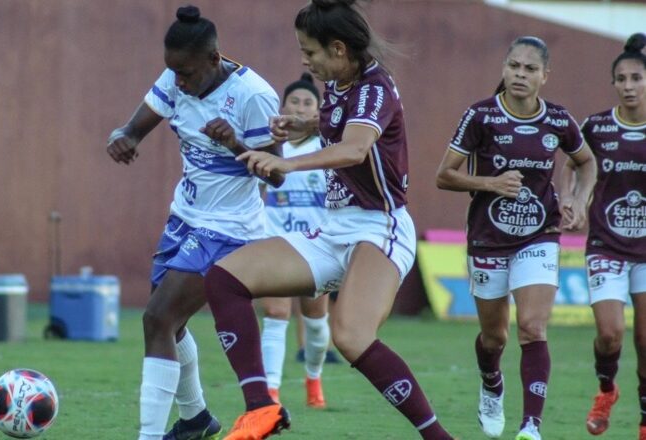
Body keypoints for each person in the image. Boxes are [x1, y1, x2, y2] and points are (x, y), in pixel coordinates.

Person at [203, 1, 455, 439]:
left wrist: (286, 161)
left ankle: (438, 437)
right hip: (333, 227)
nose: (305, 61)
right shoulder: (342, 84)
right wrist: (305, 125)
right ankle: (262, 407)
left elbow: (355, 148)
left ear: (339, 49)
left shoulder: (374, 88)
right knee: (224, 280)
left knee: (351, 337)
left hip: (380, 227)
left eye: (310, 52)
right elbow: (338, 123)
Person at [105, 6, 283, 440]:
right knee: (170, 323)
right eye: (172, 72)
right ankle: (196, 418)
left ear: (214, 58)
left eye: (185, 73)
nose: (178, 82)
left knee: (157, 318)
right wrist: (122, 138)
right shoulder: (176, 77)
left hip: (229, 228)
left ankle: (151, 435)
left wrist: (235, 142)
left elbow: (278, 173)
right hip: (184, 218)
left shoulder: (253, 96)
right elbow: (132, 127)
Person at [435, 36, 597, 440]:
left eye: (529, 69)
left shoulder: (558, 120)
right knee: (495, 337)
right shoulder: (481, 116)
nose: (519, 75)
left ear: (545, 76)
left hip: (539, 236)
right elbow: (444, 175)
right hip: (488, 239)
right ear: (504, 69)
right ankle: (491, 381)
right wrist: (490, 182)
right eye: (513, 66)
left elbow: (587, 160)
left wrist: (578, 198)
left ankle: (531, 426)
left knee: (532, 326)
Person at [562, 33, 646, 439]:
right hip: (606, 245)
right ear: (613, 83)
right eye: (621, 79)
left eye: (636, 78)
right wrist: (573, 201)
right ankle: (606, 390)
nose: (628, 86)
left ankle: (645, 421)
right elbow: (572, 164)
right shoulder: (596, 126)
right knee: (610, 334)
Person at [258, 72, 330, 409]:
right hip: (276, 242)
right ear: (282, 106)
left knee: (316, 326)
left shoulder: (327, 147)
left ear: (318, 110)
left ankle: (313, 377)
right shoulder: (271, 143)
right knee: (275, 313)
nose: (300, 108)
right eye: (295, 101)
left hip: (316, 246)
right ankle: (270, 394)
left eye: (308, 102)